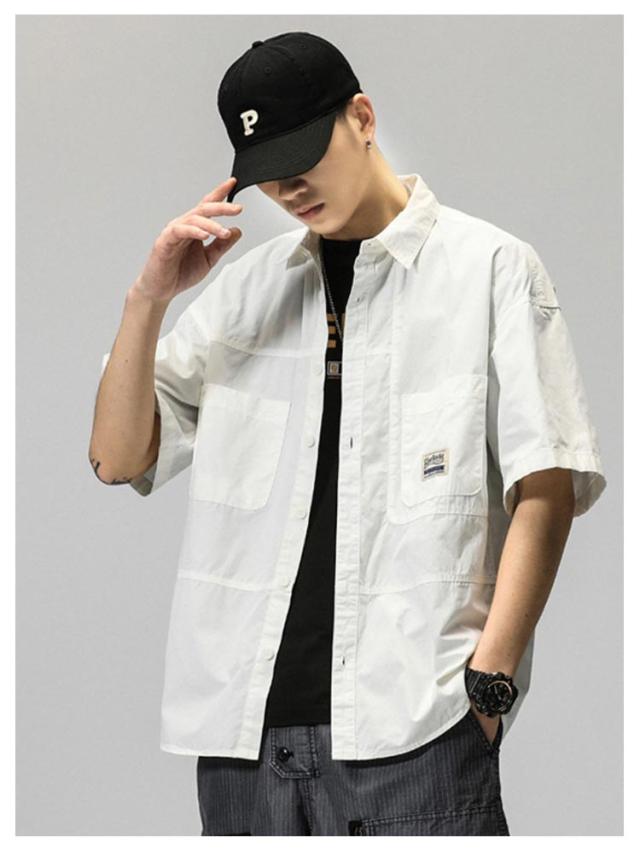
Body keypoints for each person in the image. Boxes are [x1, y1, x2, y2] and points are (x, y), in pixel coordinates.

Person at [89, 31, 607, 836]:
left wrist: (490, 684)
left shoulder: (490, 269)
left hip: (416, 734)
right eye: (269, 173)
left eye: (304, 156)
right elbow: (117, 458)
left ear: (362, 117)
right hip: (245, 750)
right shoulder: (245, 296)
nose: (289, 188)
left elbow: (546, 483)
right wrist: (147, 299)